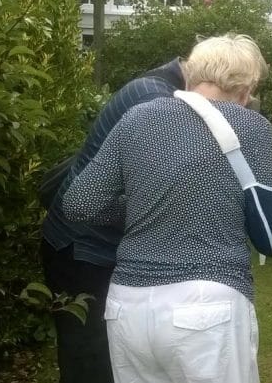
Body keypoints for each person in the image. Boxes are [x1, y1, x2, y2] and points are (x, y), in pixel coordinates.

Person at [61, 34, 272, 383]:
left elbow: (78, 203)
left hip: (128, 306)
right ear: (244, 87)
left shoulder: (136, 118)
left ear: (191, 75)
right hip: (208, 305)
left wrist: (138, 211)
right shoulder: (252, 126)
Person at [40, 58, 185, 383]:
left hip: (89, 244)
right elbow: (149, 194)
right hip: (80, 249)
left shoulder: (156, 86)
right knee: (88, 362)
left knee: (100, 357)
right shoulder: (156, 102)